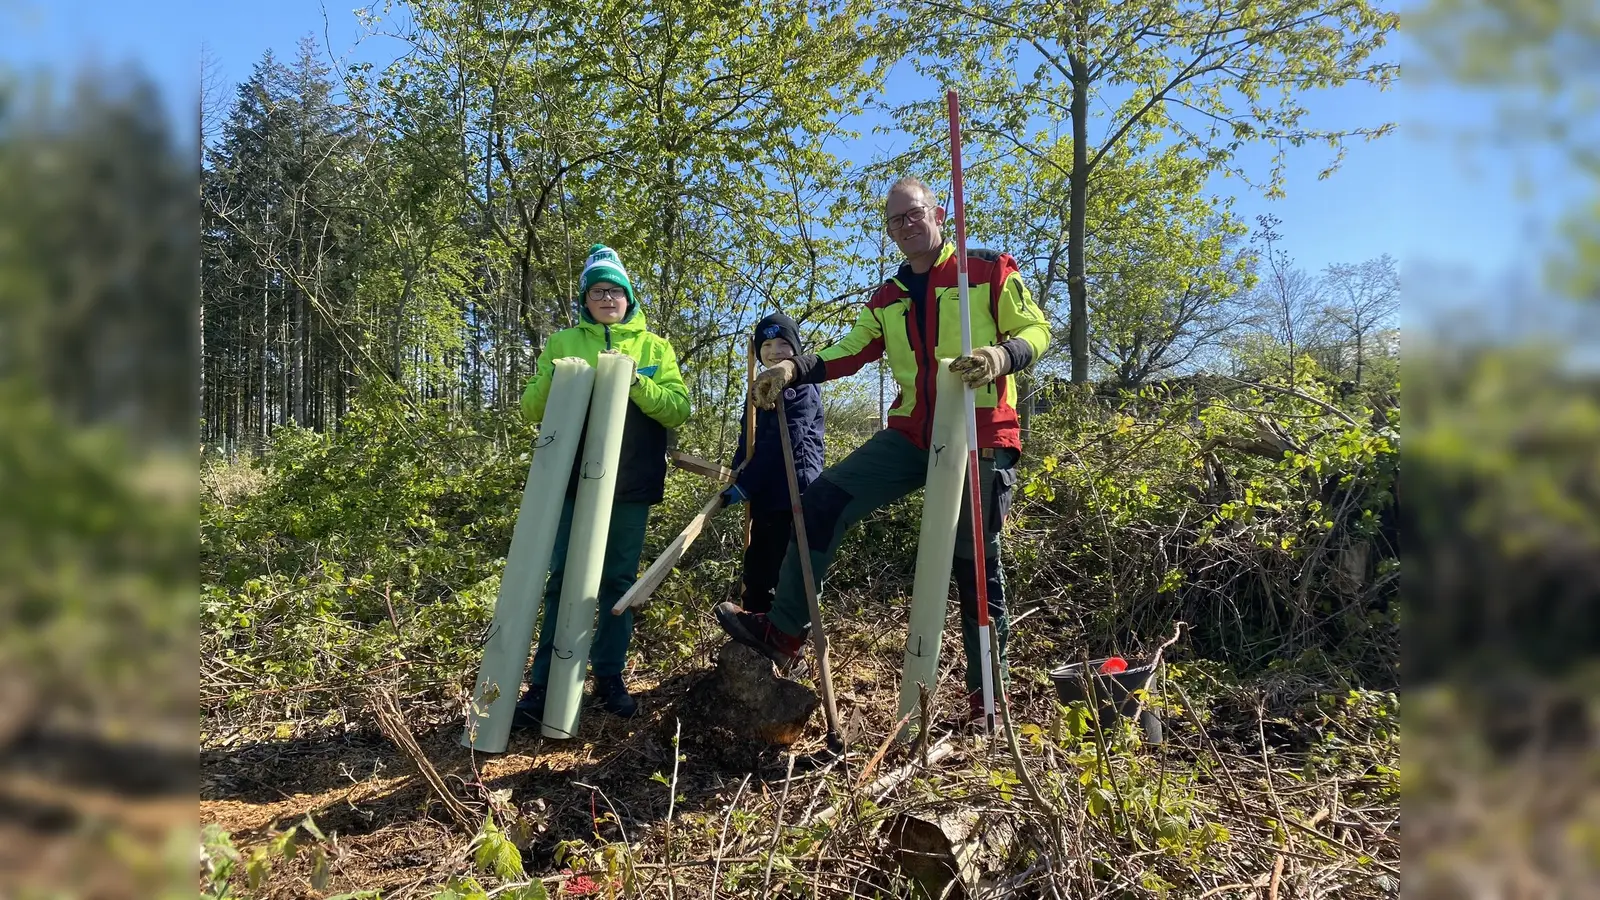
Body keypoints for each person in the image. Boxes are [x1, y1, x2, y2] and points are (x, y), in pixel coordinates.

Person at [714, 177, 1050, 723]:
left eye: (913, 214)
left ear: (938, 213)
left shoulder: (985, 270)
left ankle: (988, 699)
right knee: (821, 502)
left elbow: (1037, 329)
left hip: (980, 431)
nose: (905, 226)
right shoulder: (889, 296)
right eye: (895, 221)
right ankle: (783, 632)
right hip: (911, 435)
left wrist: (1002, 354)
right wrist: (792, 368)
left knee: (974, 563)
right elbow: (850, 351)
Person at [512, 244, 690, 725]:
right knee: (562, 580)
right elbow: (532, 409)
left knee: (617, 583)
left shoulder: (654, 348)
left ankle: (608, 676)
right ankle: (543, 683)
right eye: (597, 291)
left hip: (631, 484)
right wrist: (557, 378)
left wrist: (635, 382)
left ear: (628, 297)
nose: (607, 298)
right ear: (585, 300)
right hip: (569, 485)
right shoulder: (564, 343)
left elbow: (678, 408)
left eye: (615, 290)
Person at [722, 313, 825, 613]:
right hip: (767, 496)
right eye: (766, 344)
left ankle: (789, 641)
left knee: (787, 571)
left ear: (795, 348)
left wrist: (747, 484)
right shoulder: (758, 386)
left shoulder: (802, 386)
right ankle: (754, 633)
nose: (774, 351)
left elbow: (784, 442)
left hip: (795, 494)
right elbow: (750, 437)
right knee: (757, 568)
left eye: (783, 343)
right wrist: (737, 468)